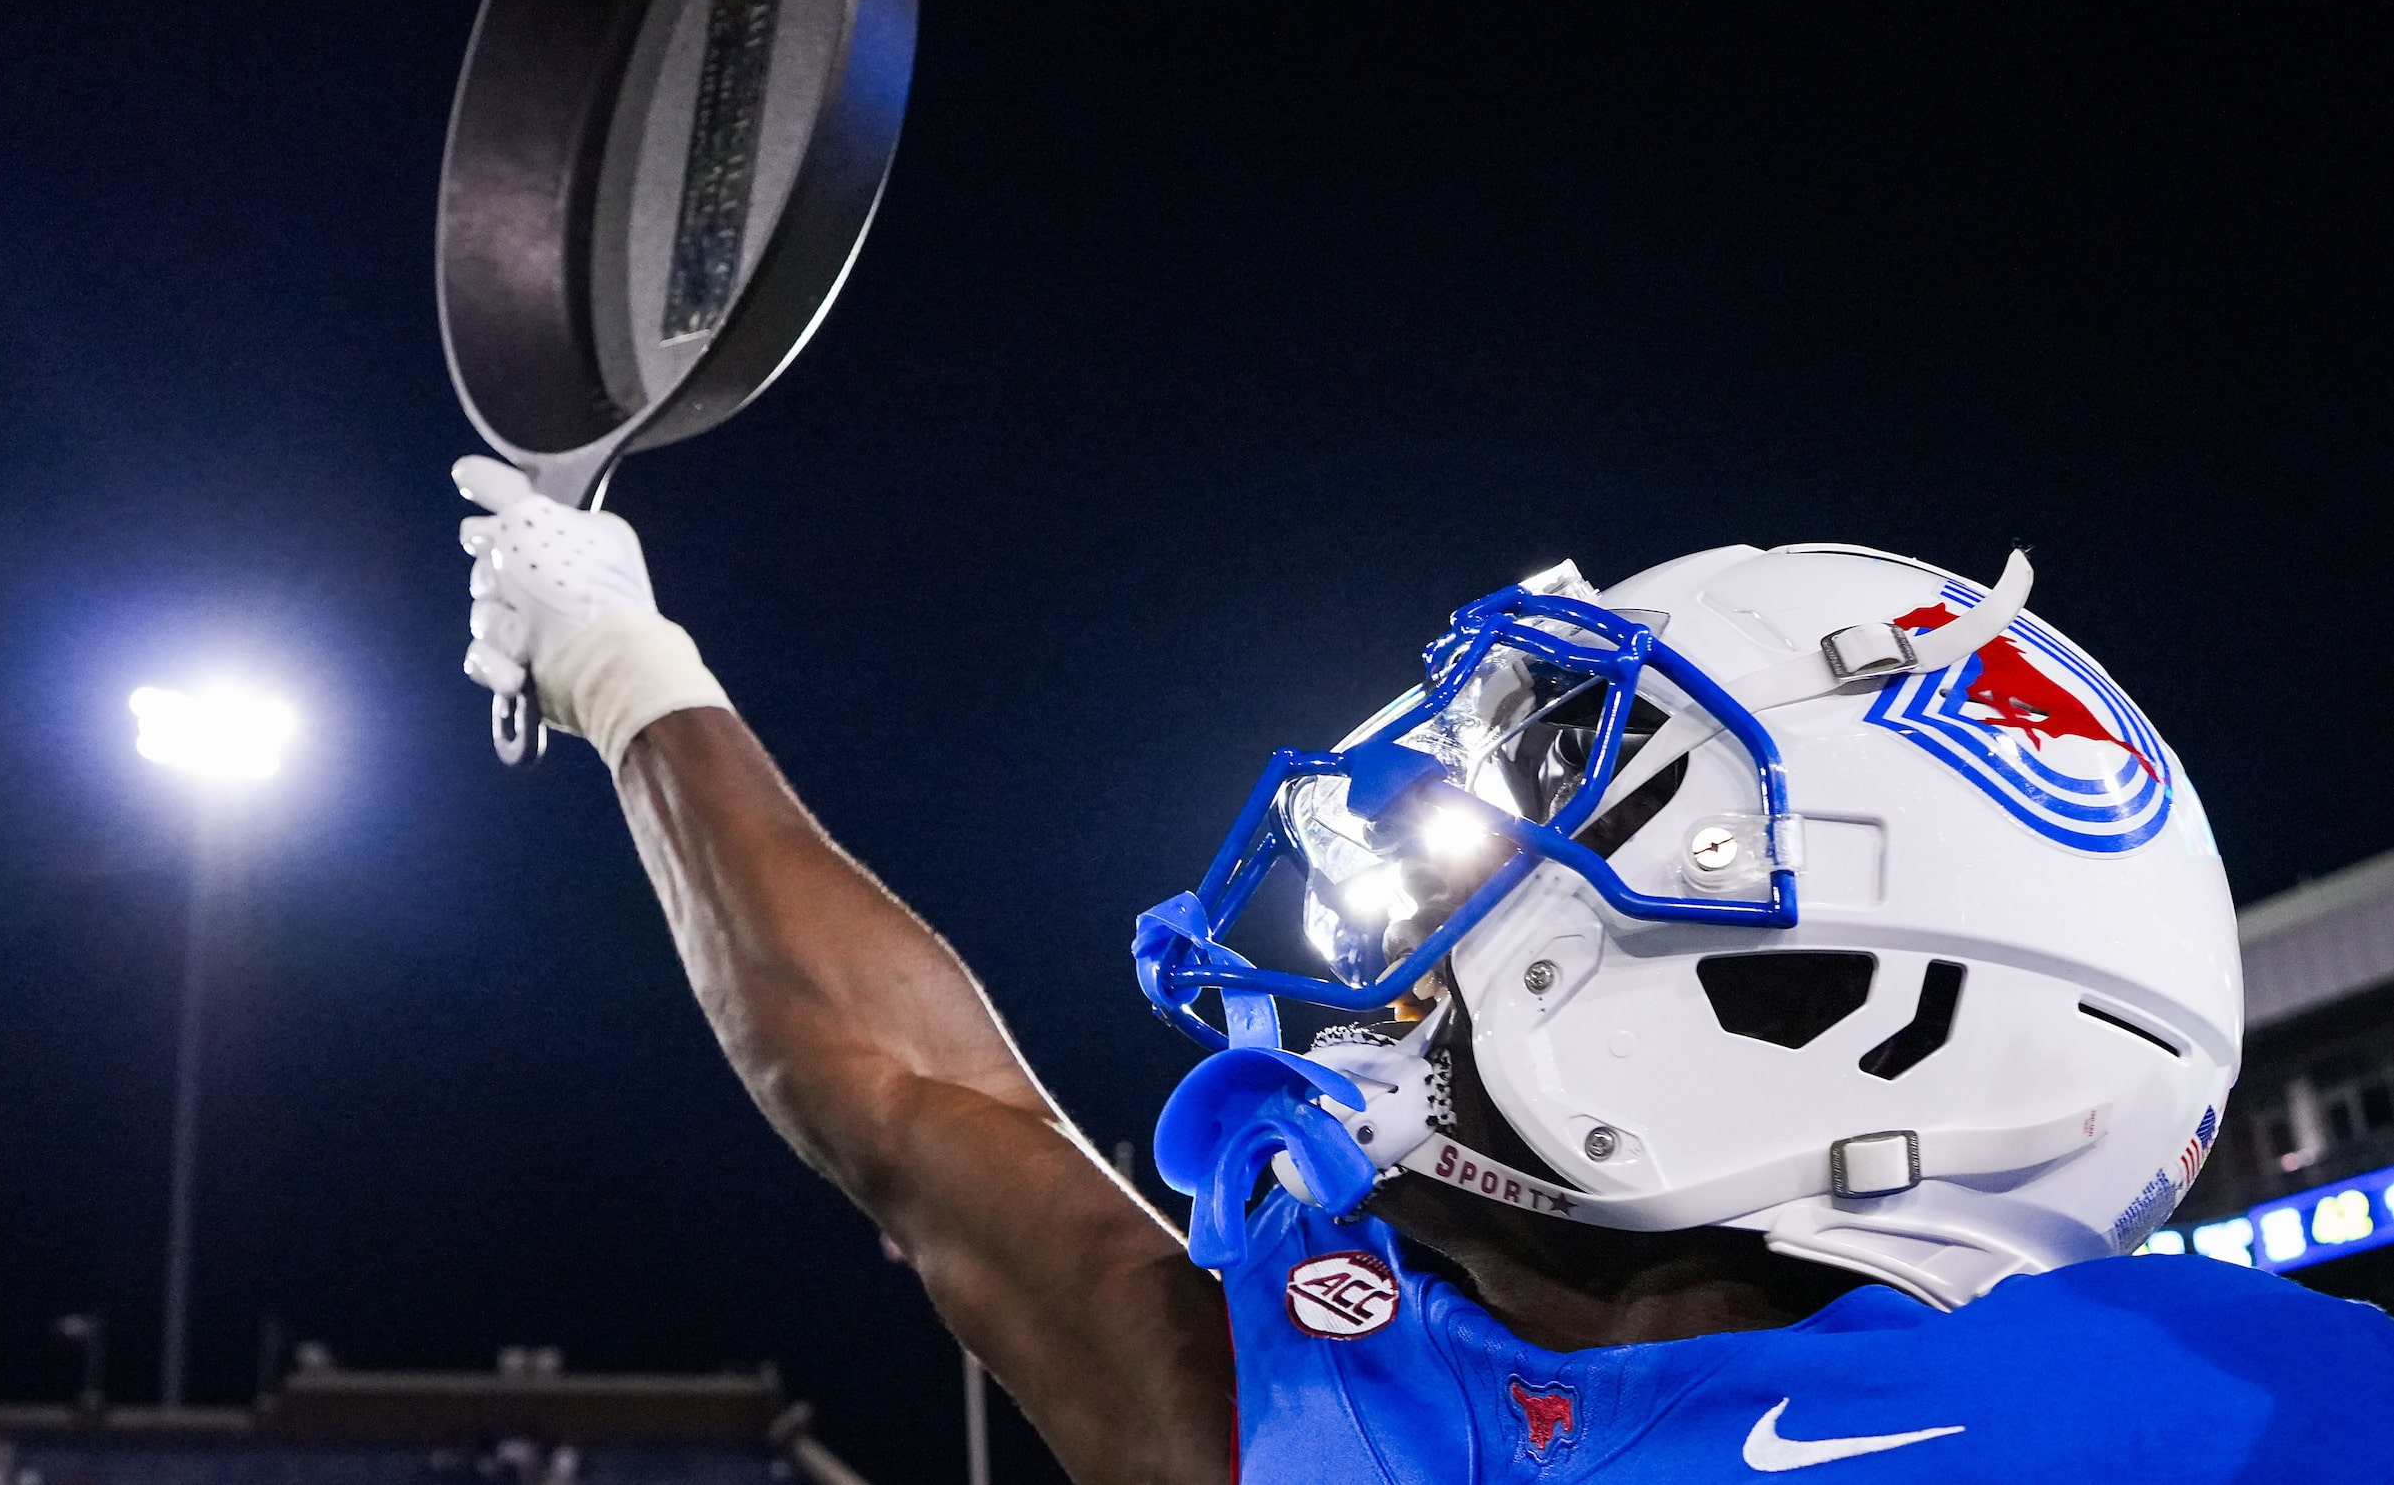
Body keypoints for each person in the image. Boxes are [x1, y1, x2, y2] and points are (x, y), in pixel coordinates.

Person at [454, 457, 2394, 1481]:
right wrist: (632, 676)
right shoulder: (1359, 1394)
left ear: (1835, 1002)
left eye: (1556, 806)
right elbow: (905, 1107)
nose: (1421, 906)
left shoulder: (2244, 1416)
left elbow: (909, 1119)